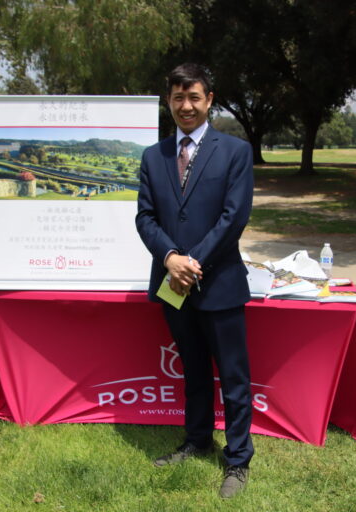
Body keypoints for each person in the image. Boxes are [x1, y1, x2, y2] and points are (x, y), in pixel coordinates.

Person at [135, 63, 254, 499]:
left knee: (234, 377)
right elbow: (145, 217)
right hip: (172, 284)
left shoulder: (235, 152)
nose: (186, 106)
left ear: (210, 100)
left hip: (218, 282)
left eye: (194, 97)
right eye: (178, 98)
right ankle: (198, 440)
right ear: (169, 101)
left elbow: (233, 217)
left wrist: (192, 262)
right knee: (195, 372)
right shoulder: (154, 155)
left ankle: (238, 460)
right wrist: (170, 257)